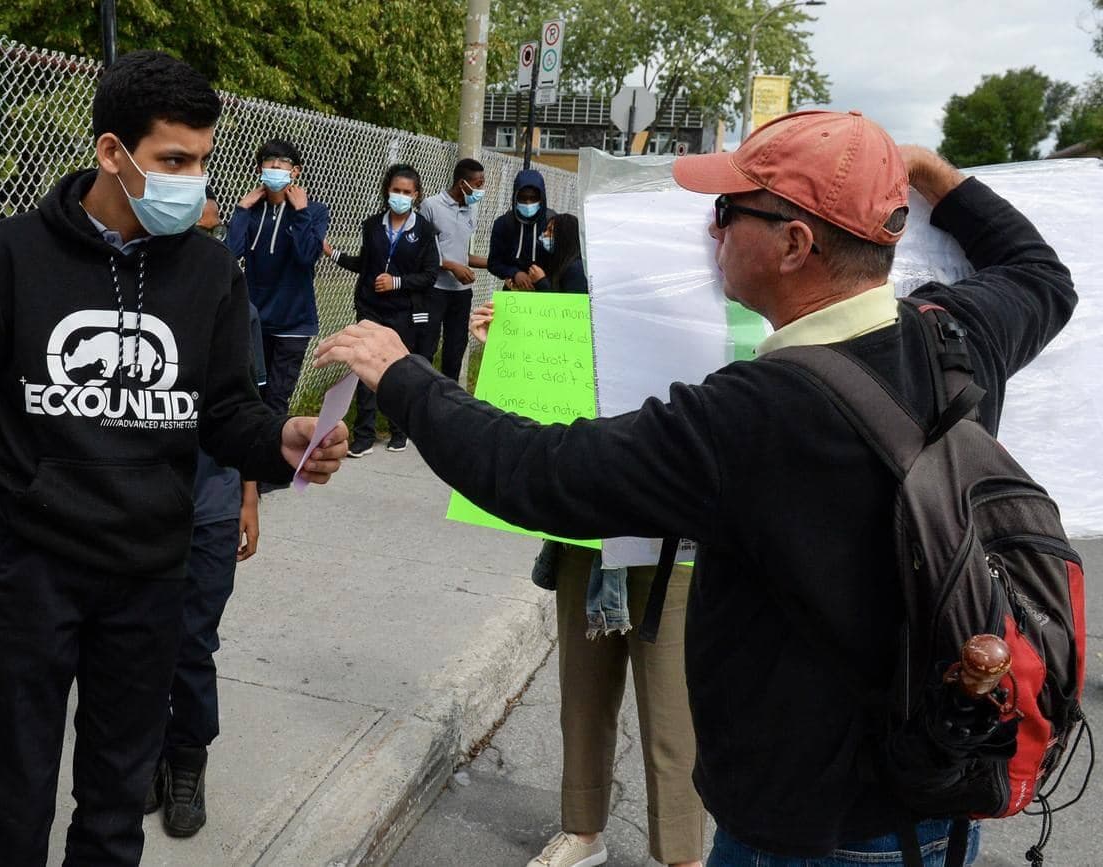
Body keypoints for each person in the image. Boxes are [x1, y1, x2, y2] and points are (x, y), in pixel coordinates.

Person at [315, 110, 1076, 865]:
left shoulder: (755, 416)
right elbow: (1040, 275)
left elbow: (538, 472)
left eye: (727, 211)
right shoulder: (954, 335)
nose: (712, 232)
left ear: (794, 243)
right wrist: (934, 175)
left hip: (803, 839)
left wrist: (403, 374)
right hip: (938, 812)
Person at [0, 50, 347, 866]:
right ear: (112, 152)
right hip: (28, 574)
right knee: (9, 806)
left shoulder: (211, 273)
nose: (193, 181)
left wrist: (280, 440)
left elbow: (224, 413)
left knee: (114, 811)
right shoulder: (9, 257)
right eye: (172, 160)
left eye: (203, 160)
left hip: (149, 577)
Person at [470, 302, 705, 867]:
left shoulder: (705, 296)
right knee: (582, 692)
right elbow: (545, 400)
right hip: (587, 529)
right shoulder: (593, 288)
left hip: (671, 538)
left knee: (672, 708)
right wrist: (508, 346)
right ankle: (582, 830)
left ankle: (683, 853)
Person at [142, 213, 270, 839]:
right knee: (137, 638)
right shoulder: (125, 297)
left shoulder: (230, 297)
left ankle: (187, 760)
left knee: (193, 641)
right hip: (138, 507)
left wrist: (248, 497)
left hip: (210, 504)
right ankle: (144, 753)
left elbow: (246, 410)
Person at [322, 163, 439, 458]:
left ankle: (399, 431)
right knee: (363, 368)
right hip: (371, 308)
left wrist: (397, 282)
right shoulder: (372, 225)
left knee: (398, 368)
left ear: (416, 195)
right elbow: (364, 264)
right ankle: (364, 434)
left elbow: (430, 275)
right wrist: (333, 254)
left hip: (403, 311)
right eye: (396, 190)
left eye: (407, 192)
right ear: (387, 190)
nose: (400, 196)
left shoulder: (425, 231)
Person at [227, 139, 330, 414]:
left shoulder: (315, 211)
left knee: (276, 400)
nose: (275, 166)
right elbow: (230, 253)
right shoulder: (251, 211)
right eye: (269, 162)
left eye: (282, 162)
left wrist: (301, 211)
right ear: (259, 169)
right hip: (256, 320)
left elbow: (306, 256)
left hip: (293, 322)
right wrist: (241, 208)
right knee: (252, 395)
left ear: (295, 171)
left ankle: (272, 443)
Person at [416, 157, 488, 380]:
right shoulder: (431, 206)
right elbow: (420, 251)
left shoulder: (471, 209)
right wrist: (451, 266)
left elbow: (461, 252)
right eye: (478, 184)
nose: (481, 190)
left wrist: (493, 263)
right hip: (434, 290)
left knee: (455, 351)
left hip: (461, 294)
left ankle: (449, 395)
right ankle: (421, 393)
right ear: (462, 184)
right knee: (426, 347)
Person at [487, 168, 552, 290]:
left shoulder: (552, 223)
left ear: (541, 198)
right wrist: (514, 273)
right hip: (514, 290)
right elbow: (493, 263)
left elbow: (563, 260)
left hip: (547, 290)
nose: (528, 203)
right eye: (522, 198)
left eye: (533, 198)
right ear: (515, 198)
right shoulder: (503, 223)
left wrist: (543, 280)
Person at [529, 213, 587, 293]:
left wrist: (541, 282)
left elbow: (570, 301)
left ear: (564, 236)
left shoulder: (576, 269)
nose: (545, 234)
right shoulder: (556, 261)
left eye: (550, 231)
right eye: (546, 230)